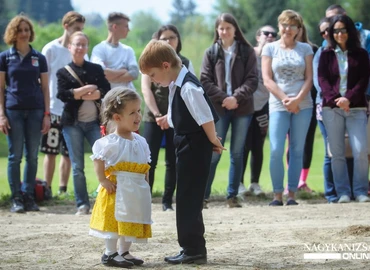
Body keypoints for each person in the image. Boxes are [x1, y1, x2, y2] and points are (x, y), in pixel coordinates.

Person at [139, 40, 225, 264]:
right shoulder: (175, 84)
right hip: (187, 144)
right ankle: (190, 247)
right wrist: (168, 120)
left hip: (194, 146)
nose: (153, 80)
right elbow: (181, 111)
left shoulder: (188, 86)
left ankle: (194, 249)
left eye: (153, 74)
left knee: (189, 198)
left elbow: (204, 117)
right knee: (186, 196)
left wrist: (213, 139)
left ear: (166, 65)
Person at [200, 13, 258, 208]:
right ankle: (203, 197)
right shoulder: (211, 52)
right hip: (219, 109)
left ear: (235, 30)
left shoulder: (246, 51)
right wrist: (224, 98)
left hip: (242, 108)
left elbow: (252, 79)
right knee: (214, 152)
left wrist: (236, 98)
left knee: (237, 153)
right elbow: (205, 80)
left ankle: (232, 196)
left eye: (228, 28)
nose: (224, 31)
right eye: (221, 28)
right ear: (217, 30)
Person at [90, 87, 151, 268]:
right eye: (132, 112)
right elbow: (98, 160)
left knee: (132, 218)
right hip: (116, 190)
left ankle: (124, 251)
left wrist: (145, 182)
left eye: (139, 111)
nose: (138, 116)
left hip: (135, 189)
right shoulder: (109, 142)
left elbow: (145, 164)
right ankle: (110, 253)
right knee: (114, 221)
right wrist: (103, 180)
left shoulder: (141, 141)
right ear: (117, 117)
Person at [261, 9, 313, 206]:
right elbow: (267, 79)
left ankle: (292, 193)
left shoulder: (306, 49)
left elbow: (309, 78)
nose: (287, 29)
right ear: (279, 26)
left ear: (299, 29)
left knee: (297, 149)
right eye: (284, 24)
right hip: (278, 104)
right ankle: (276, 194)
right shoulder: (270, 49)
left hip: (303, 105)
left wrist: (297, 100)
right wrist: (286, 100)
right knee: (275, 149)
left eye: (292, 25)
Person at [0, 14, 50, 213]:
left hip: (36, 111)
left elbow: (45, 88)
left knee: (33, 156)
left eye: (26, 30)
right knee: (15, 156)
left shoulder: (39, 58)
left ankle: (29, 196)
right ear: (13, 33)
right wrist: (1, 115)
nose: (23, 33)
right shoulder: (4, 57)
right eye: (20, 30)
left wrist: (46, 114)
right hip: (13, 111)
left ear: (30, 33)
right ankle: (16, 198)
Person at [56, 31, 111, 215]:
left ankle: (106, 198)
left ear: (87, 48)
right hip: (72, 124)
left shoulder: (95, 69)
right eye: (76, 44)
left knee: (106, 160)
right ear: (70, 47)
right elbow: (63, 95)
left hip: (95, 123)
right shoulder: (63, 72)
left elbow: (105, 90)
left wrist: (82, 93)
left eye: (83, 45)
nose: (80, 48)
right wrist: (87, 89)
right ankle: (82, 204)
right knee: (77, 165)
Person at [141, 24, 195, 211]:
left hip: (176, 119)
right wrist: (157, 114)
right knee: (149, 161)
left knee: (173, 161)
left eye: (172, 37)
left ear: (178, 40)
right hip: (152, 117)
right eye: (164, 38)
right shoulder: (150, 59)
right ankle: (145, 200)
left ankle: (167, 202)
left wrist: (170, 116)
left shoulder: (185, 63)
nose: (168, 41)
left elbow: (189, 92)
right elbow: (146, 89)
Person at [318, 14, 370, 203]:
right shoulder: (325, 54)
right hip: (331, 109)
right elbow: (322, 80)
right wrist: (336, 99)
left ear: (350, 31)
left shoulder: (361, 53)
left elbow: (364, 79)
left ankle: (361, 191)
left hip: (356, 108)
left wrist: (348, 98)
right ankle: (343, 193)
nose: (340, 34)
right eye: (336, 30)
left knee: (361, 150)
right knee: (337, 153)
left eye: (343, 30)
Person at [40, 11, 85, 197]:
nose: (78, 33)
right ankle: (46, 189)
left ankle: (62, 190)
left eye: (81, 30)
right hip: (52, 108)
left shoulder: (78, 51)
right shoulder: (50, 49)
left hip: (71, 110)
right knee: (50, 151)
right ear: (66, 26)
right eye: (76, 29)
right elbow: (42, 81)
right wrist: (45, 110)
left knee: (68, 153)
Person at [239, 25, 277, 197]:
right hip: (245, 106)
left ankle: (255, 183)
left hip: (263, 106)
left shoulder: (276, 55)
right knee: (242, 145)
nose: (269, 36)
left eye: (272, 34)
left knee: (258, 145)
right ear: (257, 36)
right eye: (265, 33)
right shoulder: (249, 53)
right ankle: (238, 183)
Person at [285, 22, 319, 193]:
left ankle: (301, 181)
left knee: (308, 142)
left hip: (308, 102)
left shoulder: (313, 49)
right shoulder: (281, 50)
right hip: (288, 103)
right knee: (292, 144)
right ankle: (290, 181)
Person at [312, 17, 337, 203]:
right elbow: (318, 82)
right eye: (323, 32)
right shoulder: (320, 53)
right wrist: (336, 98)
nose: (327, 34)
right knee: (331, 150)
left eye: (329, 29)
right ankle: (331, 193)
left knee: (351, 151)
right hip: (326, 105)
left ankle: (350, 190)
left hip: (352, 105)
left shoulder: (352, 51)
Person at [91, 12, 138, 91]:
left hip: (127, 96)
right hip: (107, 97)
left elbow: (134, 73)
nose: (129, 30)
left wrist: (110, 77)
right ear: (115, 27)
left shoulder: (128, 50)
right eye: (126, 26)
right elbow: (101, 73)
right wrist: (124, 71)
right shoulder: (99, 49)